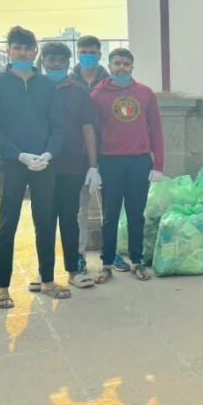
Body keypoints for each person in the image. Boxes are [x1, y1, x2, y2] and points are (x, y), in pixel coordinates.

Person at [0, 26, 67, 307]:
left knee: (45, 221)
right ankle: (2, 288)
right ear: (8, 51)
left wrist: (49, 153)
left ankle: (47, 280)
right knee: (8, 222)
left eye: (28, 48)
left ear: (35, 52)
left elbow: (58, 125)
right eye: (17, 48)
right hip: (13, 164)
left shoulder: (46, 85)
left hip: (44, 163)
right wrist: (18, 155)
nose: (22, 53)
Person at [91, 48, 165, 283]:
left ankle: (137, 261)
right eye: (117, 63)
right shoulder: (98, 95)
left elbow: (156, 129)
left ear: (132, 67)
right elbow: (92, 132)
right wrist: (92, 166)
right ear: (109, 66)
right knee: (110, 215)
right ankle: (106, 264)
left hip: (139, 161)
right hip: (110, 161)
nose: (121, 68)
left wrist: (158, 164)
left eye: (125, 64)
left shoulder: (145, 93)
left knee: (136, 215)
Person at [38, 42, 100, 290]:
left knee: (69, 219)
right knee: (44, 222)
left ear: (67, 63)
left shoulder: (78, 92)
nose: (56, 64)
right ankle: (44, 274)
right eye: (51, 60)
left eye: (61, 61)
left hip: (72, 165)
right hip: (39, 166)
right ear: (43, 62)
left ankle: (73, 270)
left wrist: (93, 165)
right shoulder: (34, 89)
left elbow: (88, 128)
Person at [71, 35, 121, 272]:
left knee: (110, 207)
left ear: (100, 54)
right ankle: (78, 254)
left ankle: (112, 253)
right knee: (78, 207)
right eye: (83, 52)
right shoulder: (69, 82)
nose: (88, 56)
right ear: (77, 53)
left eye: (92, 52)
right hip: (76, 154)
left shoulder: (112, 83)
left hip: (108, 153)